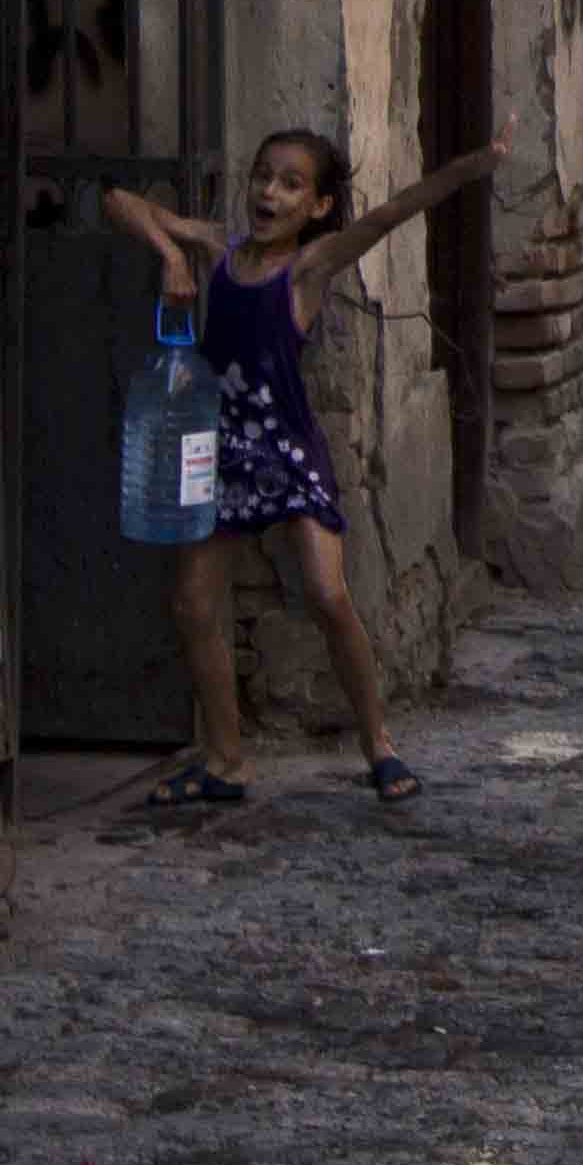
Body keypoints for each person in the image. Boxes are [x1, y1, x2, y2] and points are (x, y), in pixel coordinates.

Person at [104, 122, 499, 811]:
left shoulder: (308, 269)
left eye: (291, 183)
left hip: (286, 450)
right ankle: (227, 760)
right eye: (263, 176)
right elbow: (117, 200)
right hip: (220, 451)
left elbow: (391, 213)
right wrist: (171, 251)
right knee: (194, 604)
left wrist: (473, 164)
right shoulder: (217, 250)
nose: (269, 191)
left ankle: (378, 742)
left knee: (326, 594)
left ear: (317, 207)